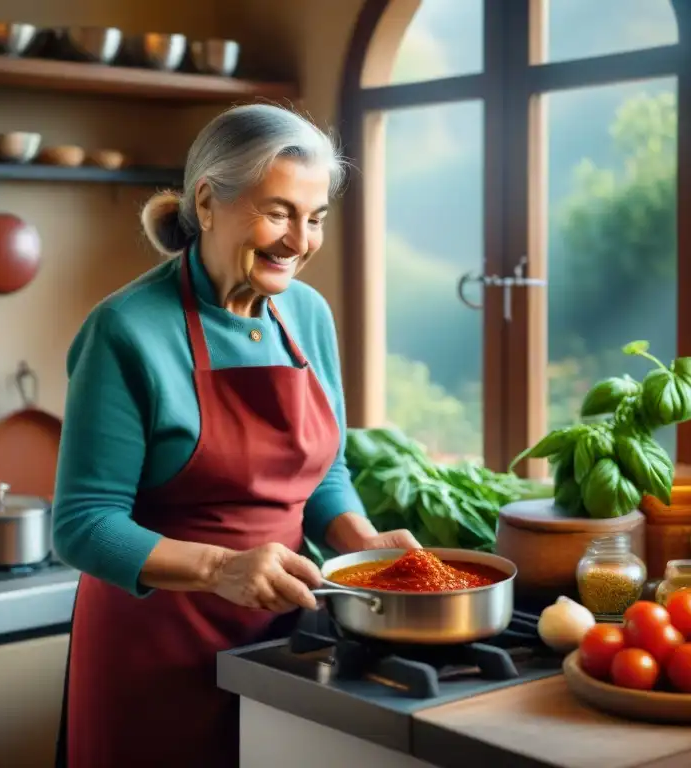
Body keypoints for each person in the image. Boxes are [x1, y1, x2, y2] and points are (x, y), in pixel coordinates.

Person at [51, 103, 421, 768]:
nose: (299, 240)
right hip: (153, 655)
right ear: (207, 201)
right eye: (278, 211)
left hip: (283, 643)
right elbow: (82, 523)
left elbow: (322, 470)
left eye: (316, 218)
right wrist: (220, 569)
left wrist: (358, 543)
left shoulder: (307, 314)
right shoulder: (127, 330)